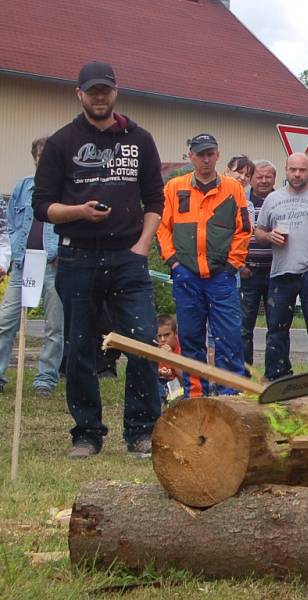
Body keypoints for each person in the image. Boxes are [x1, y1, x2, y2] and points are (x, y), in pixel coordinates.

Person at [31, 61, 163, 459]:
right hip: (77, 256)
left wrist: (142, 245)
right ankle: (86, 434)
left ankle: (140, 431)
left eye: (105, 90)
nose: (99, 96)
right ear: (80, 94)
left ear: (116, 92)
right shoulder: (61, 142)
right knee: (81, 346)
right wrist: (79, 212)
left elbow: (155, 200)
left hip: (128, 256)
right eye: (92, 91)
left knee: (143, 341)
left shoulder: (140, 139)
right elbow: (42, 206)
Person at [157, 133, 250, 397]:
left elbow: (243, 230)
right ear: (191, 157)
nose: (206, 159)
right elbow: (163, 227)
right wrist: (173, 262)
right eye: (200, 154)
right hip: (186, 275)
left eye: (210, 153)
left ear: (218, 155)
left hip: (222, 276)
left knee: (229, 337)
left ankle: (228, 397)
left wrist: (233, 264)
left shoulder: (233, 189)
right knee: (190, 338)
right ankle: (195, 396)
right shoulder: (174, 188)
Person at [254, 153, 308, 381]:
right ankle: (277, 376)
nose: (297, 174)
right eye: (293, 169)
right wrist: (269, 236)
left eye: (302, 170)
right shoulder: (273, 199)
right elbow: (258, 231)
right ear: (286, 170)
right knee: (276, 329)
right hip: (281, 271)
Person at [0, 136, 63, 397]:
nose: (43, 158)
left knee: (54, 326)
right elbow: (12, 222)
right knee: (5, 322)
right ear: (35, 157)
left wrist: (61, 250)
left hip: (53, 266)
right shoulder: (23, 187)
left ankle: (45, 379)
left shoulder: (67, 190)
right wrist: (16, 249)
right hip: (23, 264)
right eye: (40, 154)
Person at [240, 160, 277, 372]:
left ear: (274, 178)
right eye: (259, 176)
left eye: (268, 177)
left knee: (276, 327)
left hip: (275, 273)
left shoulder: (282, 200)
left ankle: (274, 374)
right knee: (244, 329)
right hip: (248, 272)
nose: (263, 181)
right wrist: (239, 265)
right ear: (251, 178)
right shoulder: (240, 201)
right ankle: (244, 376)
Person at [156, 313, 183, 404]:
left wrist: (171, 358)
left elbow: (185, 377)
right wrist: (160, 372)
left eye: (167, 335)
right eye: (159, 336)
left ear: (176, 333)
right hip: (164, 383)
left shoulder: (182, 347)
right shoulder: (156, 347)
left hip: (180, 384)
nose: (163, 339)